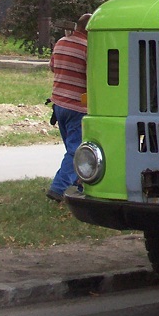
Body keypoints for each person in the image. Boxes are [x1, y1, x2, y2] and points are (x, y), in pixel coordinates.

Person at [46, 13, 91, 202]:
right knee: (76, 150)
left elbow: (53, 67)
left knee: (71, 148)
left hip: (59, 104)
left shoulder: (61, 42)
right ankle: (59, 187)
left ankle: (80, 183)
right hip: (77, 107)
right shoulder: (88, 48)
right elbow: (92, 76)